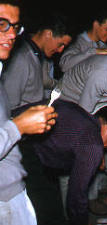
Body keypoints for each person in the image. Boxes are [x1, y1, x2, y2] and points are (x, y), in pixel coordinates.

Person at [19, 100, 107, 225]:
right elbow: (77, 195)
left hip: (18, 131)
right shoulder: (93, 145)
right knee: (51, 215)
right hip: (25, 151)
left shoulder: (80, 115)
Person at [0, 1, 57, 224]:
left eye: (15, 27)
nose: (12, 34)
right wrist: (19, 126)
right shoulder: (22, 60)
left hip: (12, 189)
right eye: (2, 24)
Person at [1, 12, 72, 109]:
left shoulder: (38, 55)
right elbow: (8, 105)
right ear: (48, 34)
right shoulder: (21, 58)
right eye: (60, 44)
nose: (60, 50)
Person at [59, 9, 107, 73]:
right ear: (96, 25)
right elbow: (64, 66)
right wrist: (93, 52)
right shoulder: (78, 42)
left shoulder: (103, 45)